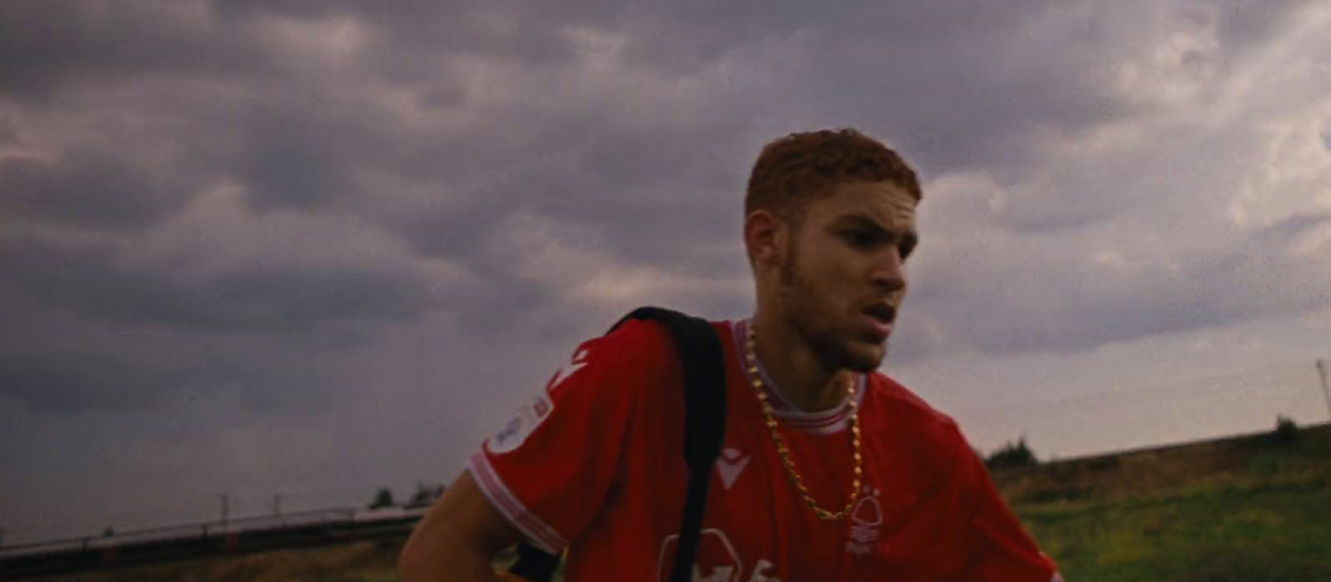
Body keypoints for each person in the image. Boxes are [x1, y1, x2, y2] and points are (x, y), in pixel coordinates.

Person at [399, 128, 1064, 581]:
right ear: (767, 239)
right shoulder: (645, 373)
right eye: (861, 237)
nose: (893, 272)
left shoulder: (928, 449)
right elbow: (440, 552)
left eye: (903, 247)